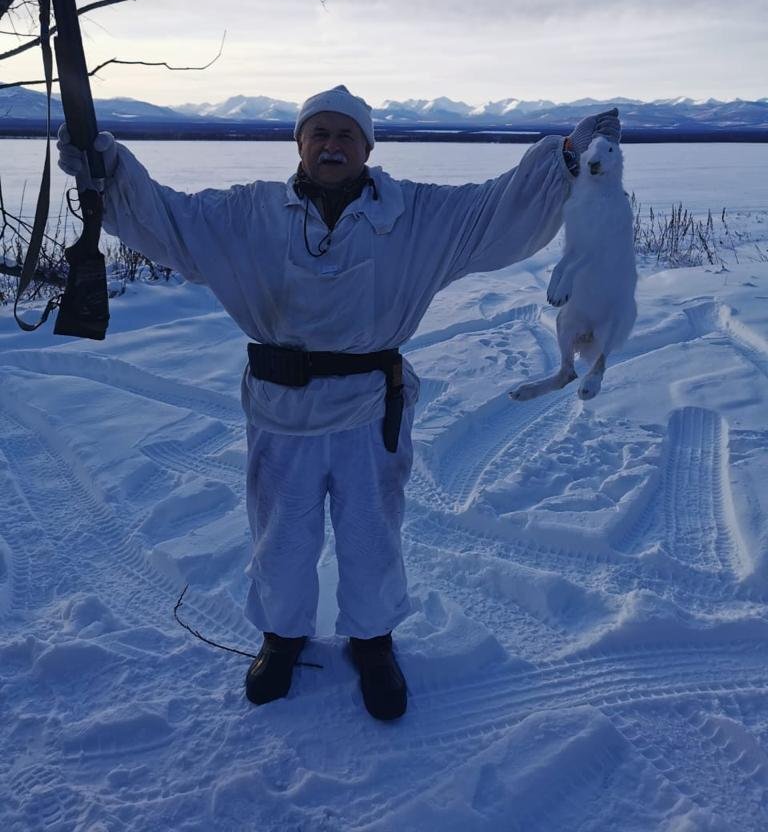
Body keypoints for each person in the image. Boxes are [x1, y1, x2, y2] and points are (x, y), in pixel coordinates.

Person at [58, 86, 620, 721]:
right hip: (280, 409)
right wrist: (111, 173)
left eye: (345, 135)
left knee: (371, 534)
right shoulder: (250, 215)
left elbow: (493, 212)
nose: (331, 145)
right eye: (318, 133)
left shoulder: (414, 216)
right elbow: (171, 221)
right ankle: (282, 635)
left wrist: (566, 159)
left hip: (369, 408)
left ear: (367, 147)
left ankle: (373, 642)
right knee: (282, 535)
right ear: (298, 144)